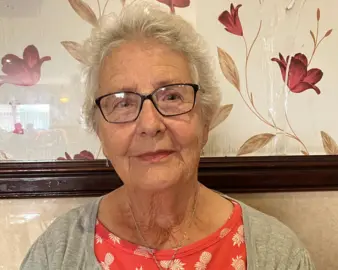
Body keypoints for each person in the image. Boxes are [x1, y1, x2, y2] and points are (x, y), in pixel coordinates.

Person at [20, 2, 315, 270]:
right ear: (99, 130)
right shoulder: (55, 255)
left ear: (205, 118)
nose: (150, 123)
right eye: (123, 102)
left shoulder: (279, 256)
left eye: (172, 96)